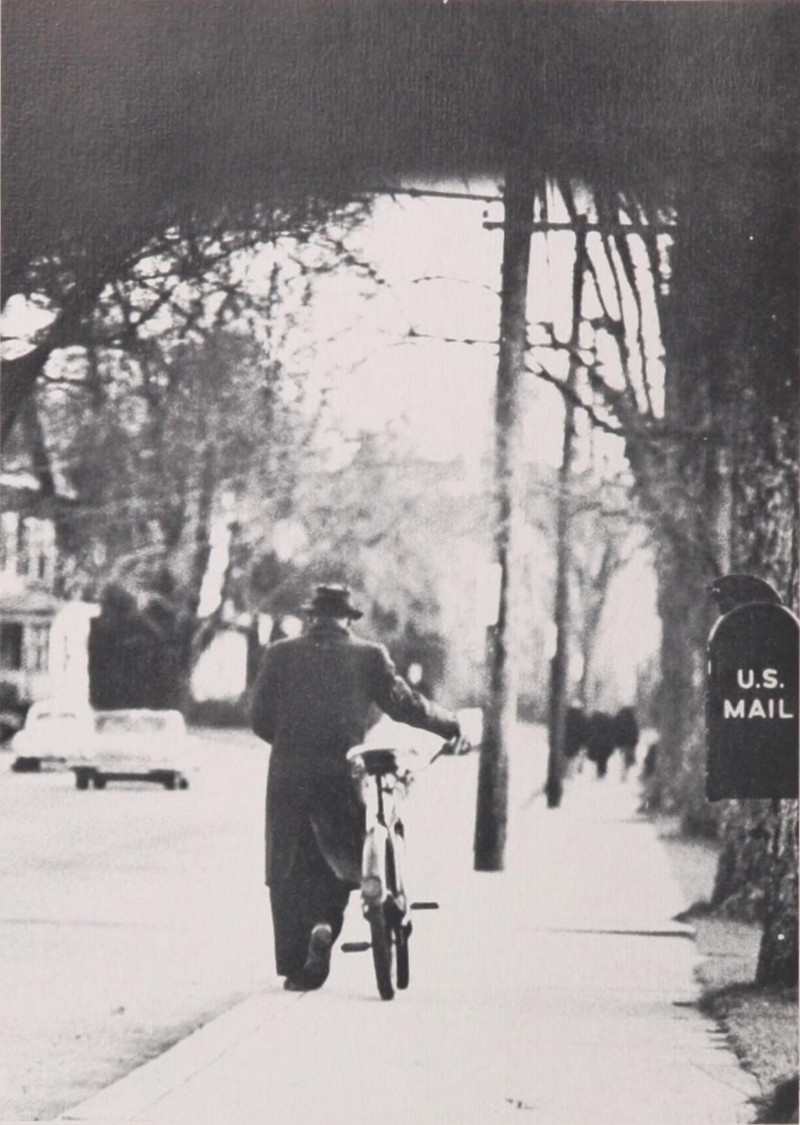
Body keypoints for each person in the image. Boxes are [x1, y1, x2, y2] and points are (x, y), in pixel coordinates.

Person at [250, 584, 463, 992]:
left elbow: (259, 718)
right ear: (348, 619)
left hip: (288, 776)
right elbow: (405, 705)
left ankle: (295, 965)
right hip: (341, 772)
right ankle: (325, 926)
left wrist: (291, 742)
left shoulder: (280, 654)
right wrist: (449, 723)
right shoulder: (368, 656)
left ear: (312, 617)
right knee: (342, 860)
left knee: (289, 865)